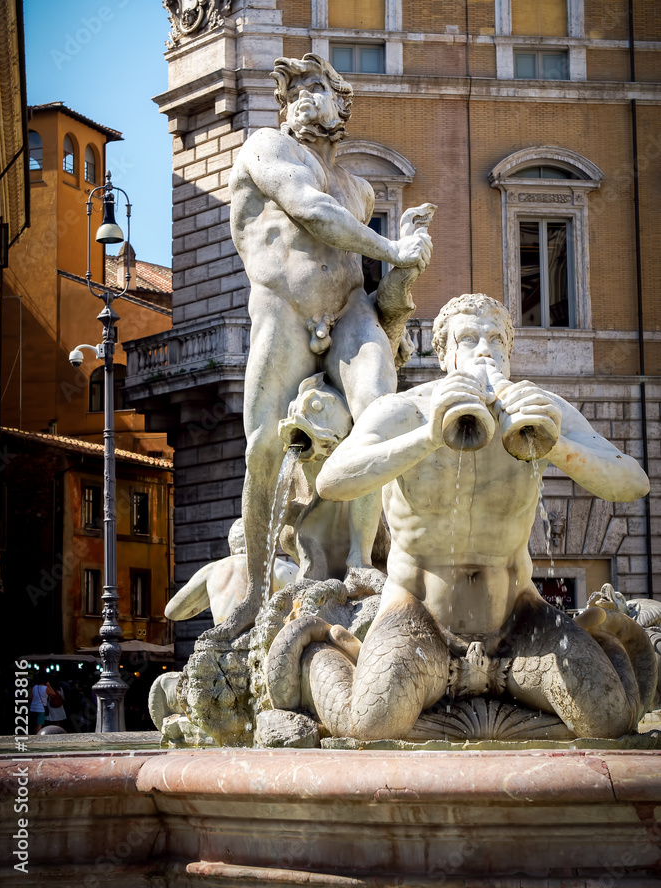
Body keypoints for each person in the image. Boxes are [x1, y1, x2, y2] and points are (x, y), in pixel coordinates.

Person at [276, 293, 653, 740]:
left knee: (609, 720)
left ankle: (598, 649)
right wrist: (430, 436)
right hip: (420, 619)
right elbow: (333, 481)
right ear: (446, 353)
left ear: (509, 355)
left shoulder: (540, 407)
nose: (483, 351)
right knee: (372, 725)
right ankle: (323, 653)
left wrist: (555, 443)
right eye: (469, 338)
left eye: (496, 340)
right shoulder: (407, 410)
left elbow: (633, 482)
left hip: (518, 619)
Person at [213, 53, 432, 639]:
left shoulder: (361, 190)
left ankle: (364, 562)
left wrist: (406, 263)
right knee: (262, 445)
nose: (304, 99)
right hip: (284, 308)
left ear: (343, 106)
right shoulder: (266, 148)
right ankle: (257, 586)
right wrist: (393, 249)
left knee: (380, 416)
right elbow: (312, 212)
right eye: (295, 93)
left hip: (350, 310)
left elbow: (377, 284)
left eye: (318, 88)